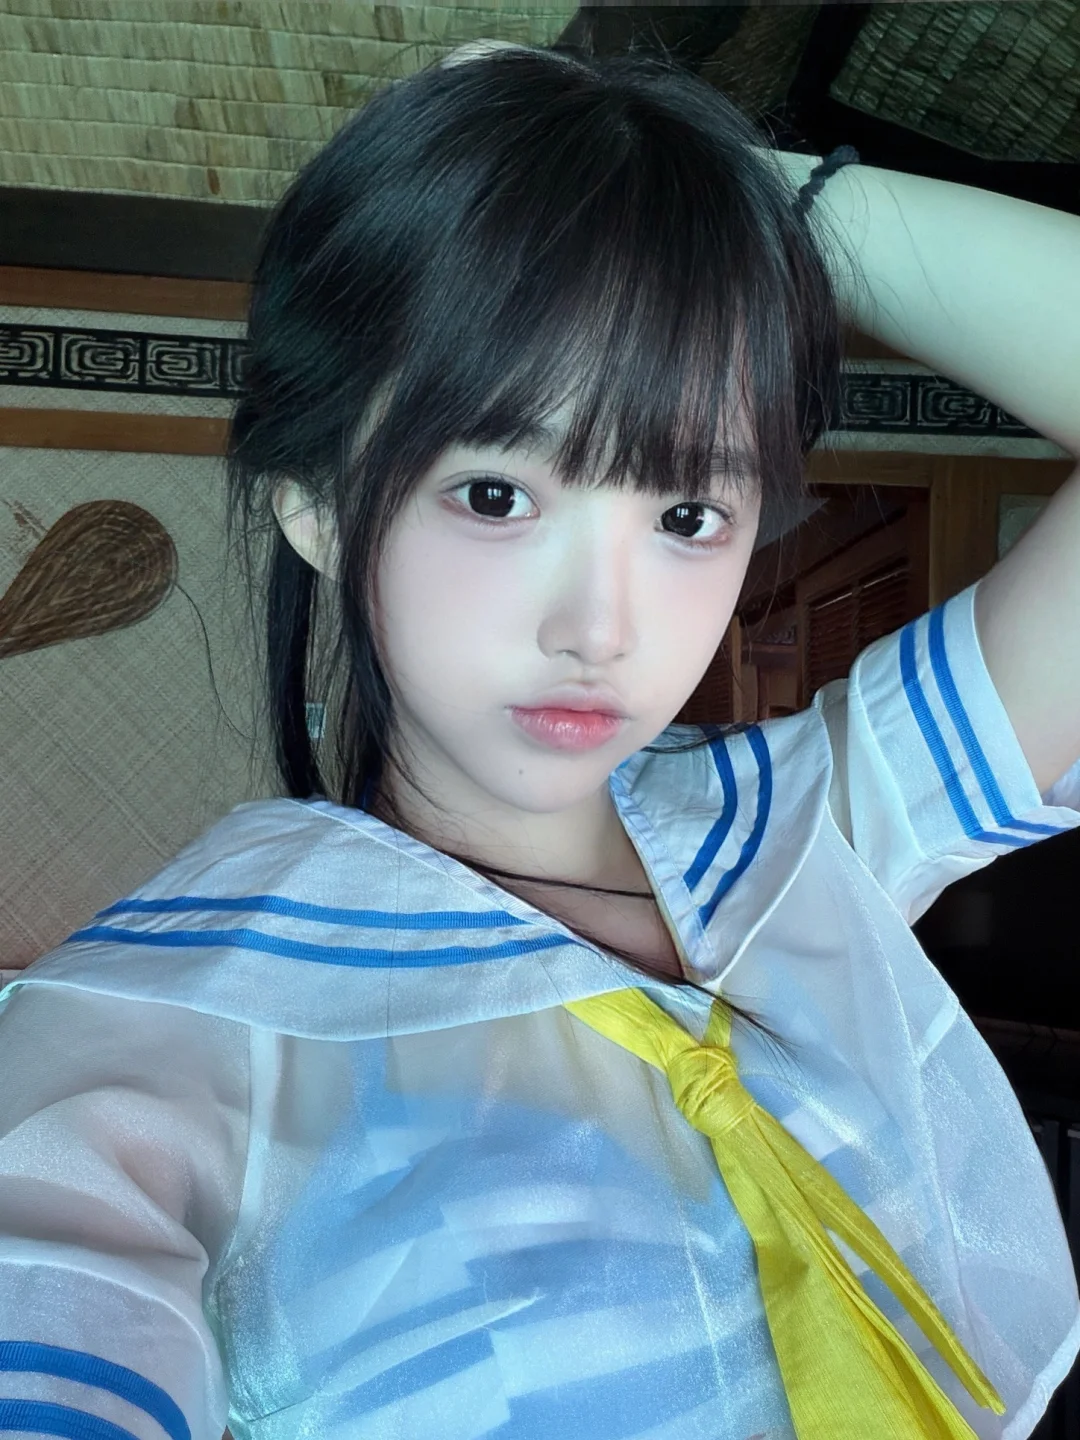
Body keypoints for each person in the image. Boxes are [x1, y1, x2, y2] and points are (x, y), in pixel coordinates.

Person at [1, 36, 1079, 1440]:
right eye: (498, 496)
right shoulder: (162, 1031)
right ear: (315, 503)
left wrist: (700, 196)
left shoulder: (807, 831)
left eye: (688, 516)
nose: (601, 629)